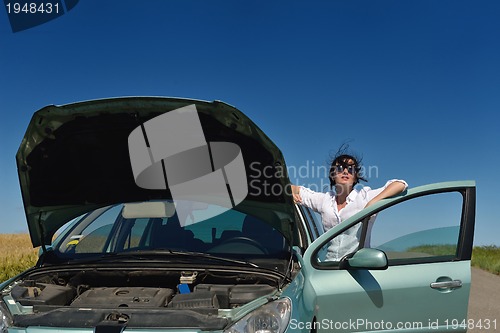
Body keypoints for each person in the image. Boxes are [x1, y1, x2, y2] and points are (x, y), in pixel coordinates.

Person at [291, 147, 407, 260]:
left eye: (351, 169)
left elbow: (400, 184)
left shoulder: (365, 197)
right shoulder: (325, 200)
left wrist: (373, 203)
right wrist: (291, 195)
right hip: (327, 267)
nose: (346, 171)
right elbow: (293, 189)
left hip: (357, 268)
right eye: (340, 168)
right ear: (333, 175)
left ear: (355, 177)